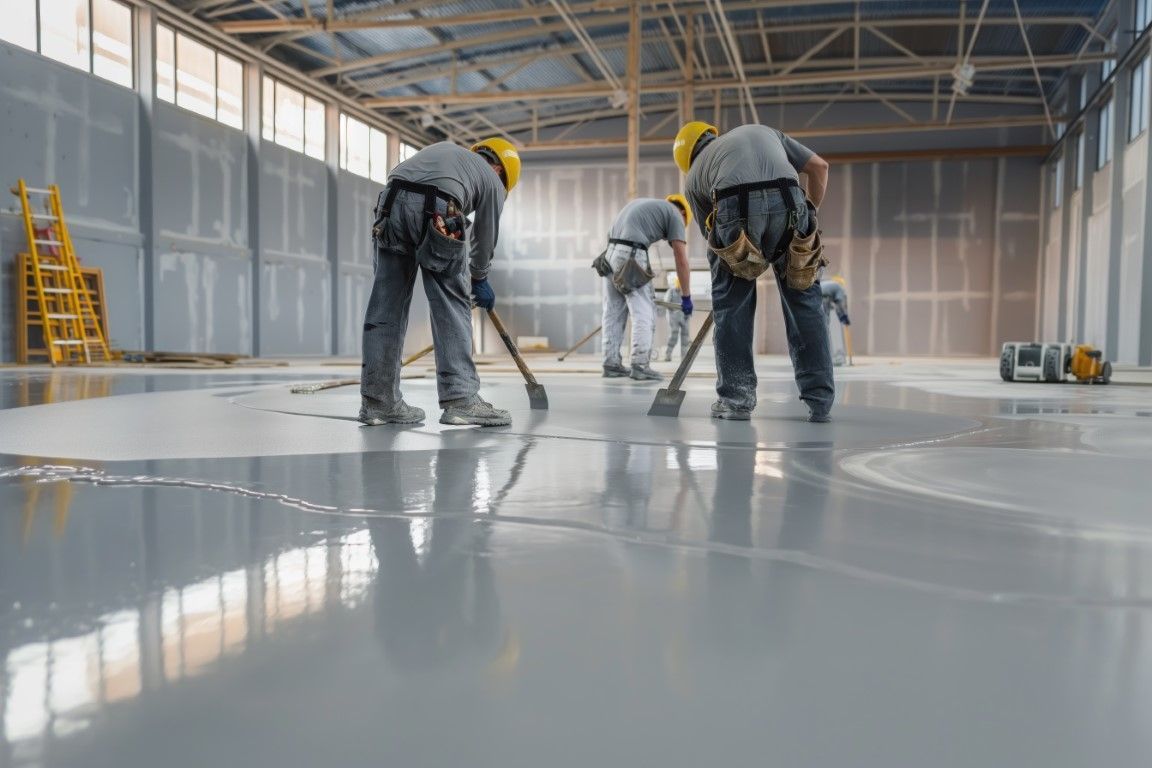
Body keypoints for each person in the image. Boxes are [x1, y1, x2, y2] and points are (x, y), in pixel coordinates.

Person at [675, 121, 834, 422]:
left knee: (732, 305)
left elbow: (711, 235)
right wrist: (807, 213)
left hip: (734, 207)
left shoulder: (695, 175)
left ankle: (736, 400)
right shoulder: (762, 131)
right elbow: (819, 167)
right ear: (712, 135)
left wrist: (732, 279)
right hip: (791, 200)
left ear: (688, 159)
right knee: (804, 300)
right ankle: (820, 401)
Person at [359, 138, 520, 427]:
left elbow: (401, 177)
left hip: (390, 202)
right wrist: (479, 278)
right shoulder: (493, 181)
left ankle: (378, 403)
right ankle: (461, 400)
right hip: (439, 211)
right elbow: (485, 239)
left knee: (386, 306)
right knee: (450, 303)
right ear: (499, 169)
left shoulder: (447, 151)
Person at [601, 195, 694, 381]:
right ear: (683, 213)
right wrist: (686, 296)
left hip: (609, 252)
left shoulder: (645, 205)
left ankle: (611, 365)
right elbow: (681, 260)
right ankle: (640, 365)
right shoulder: (675, 214)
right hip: (631, 254)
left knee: (613, 311)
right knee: (644, 311)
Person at [821, 276, 851, 366]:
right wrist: (844, 317)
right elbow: (840, 304)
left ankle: (825, 357)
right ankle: (829, 358)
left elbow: (832, 305)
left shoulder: (829, 285)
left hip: (814, 296)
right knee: (825, 326)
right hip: (822, 297)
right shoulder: (840, 289)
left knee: (823, 324)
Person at [663, 275, 690, 361]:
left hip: (684, 317)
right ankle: (668, 354)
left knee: (685, 336)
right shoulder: (671, 291)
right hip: (673, 317)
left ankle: (684, 357)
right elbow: (666, 303)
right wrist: (676, 309)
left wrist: (687, 314)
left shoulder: (686, 292)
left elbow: (689, 305)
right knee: (674, 335)